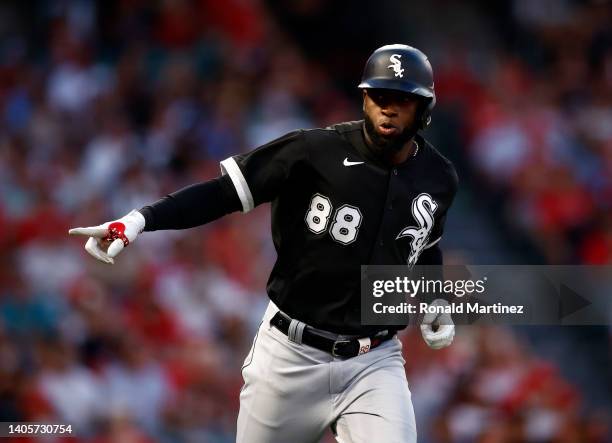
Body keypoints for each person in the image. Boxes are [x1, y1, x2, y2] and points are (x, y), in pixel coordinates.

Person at [69, 44, 458, 443]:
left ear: (424, 110)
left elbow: (424, 247)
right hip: (290, 355)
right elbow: (223, 193)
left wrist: (435, 300)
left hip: (375, 361)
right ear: (364, 99)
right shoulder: (314, 150)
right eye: (379, 96)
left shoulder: (439, 178)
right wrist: (139, 220)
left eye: (402, 100)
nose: (388, 109)